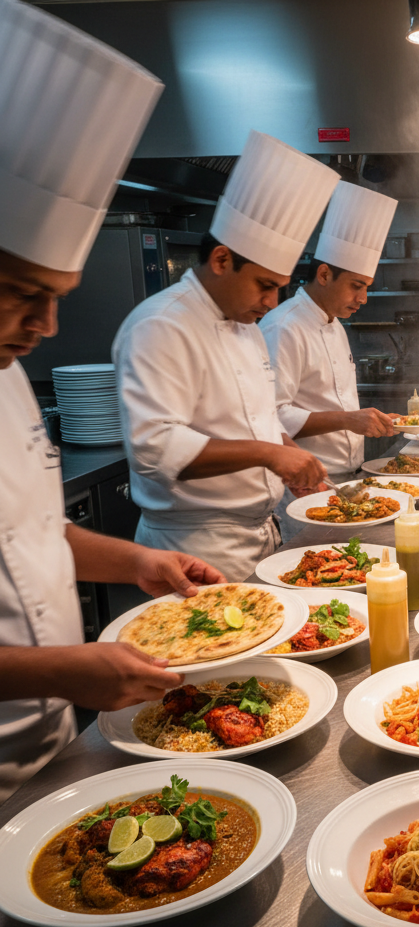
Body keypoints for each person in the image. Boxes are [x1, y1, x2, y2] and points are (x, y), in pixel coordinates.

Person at [0, 0, 225, 803]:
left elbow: (27, 535)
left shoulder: (6, 370)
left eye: (60, 296)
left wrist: (136, 561)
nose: (48, 326)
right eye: (25, 293)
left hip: (58, 743)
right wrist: (66, 665)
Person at [114, 131, 339, 581]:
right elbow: (155, 451)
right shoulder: (161, 324)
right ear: (221, 260)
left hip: (261, 534)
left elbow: (256, 421)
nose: (273, 302)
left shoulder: (244, 324)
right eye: (264, 285)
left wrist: (290, 455)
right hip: (194, 553)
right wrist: (268, 454)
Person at [260, 181, 398, 537]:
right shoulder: (283, 326)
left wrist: (368, 419)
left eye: (367, 286)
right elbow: (271, 416)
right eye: (356, 285)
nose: (363, 298)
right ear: (324, 274)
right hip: (308, 491)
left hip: (348, 483)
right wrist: (349, 419)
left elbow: (329, 398)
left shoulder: (333, 322)